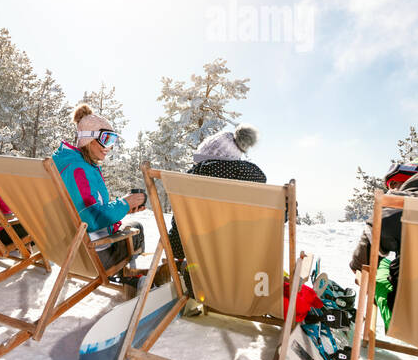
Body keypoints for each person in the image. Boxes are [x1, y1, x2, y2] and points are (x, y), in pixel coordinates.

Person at [349, 153, 418, 325]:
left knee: (379, 267)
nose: (394, 190)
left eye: (396, 184)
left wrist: (357, 267)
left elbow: (364, 257)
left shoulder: (401, 206)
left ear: (410, 179)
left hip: (413, 323)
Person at [52, 103, 147, 274]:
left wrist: (124, 209)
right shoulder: (78, 170)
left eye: (113, 141)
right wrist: (125, 203)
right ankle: (131, 279)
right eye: (106, 139)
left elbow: (82, 207)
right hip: (91, 255)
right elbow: (91, 219)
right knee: (137, 229)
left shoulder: (63, 162)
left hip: (63, 249)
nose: (109, 147)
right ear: (89, 139)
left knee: (128, 225)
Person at [168, 124, 264, 272]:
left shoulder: (188, 184)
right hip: (243, 271)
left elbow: (177, 247)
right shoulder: (251, 188)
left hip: (202, 274)